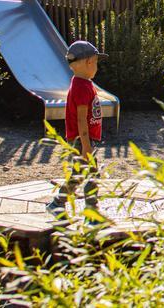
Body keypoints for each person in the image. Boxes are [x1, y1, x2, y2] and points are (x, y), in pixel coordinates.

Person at [46, 41, 108, 217]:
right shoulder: (81, 86)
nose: (96, 67)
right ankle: (90, 209)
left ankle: (60, 203)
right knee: (89, 174)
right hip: (82, 140)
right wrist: (86, 144)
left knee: (81, 174)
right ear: (87, 62)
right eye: (95, 62)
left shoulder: (83, 83)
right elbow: (81, 119)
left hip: (84, 140)